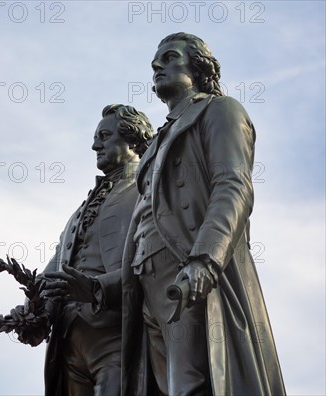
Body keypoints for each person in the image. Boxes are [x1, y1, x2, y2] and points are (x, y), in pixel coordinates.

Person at [116, 32, 287, 395]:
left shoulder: (220, 110)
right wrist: (97, 286)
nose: (157, 65)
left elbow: (233, 185)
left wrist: (206, 260)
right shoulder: (154, 145)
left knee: (190, 385)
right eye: (155, 60)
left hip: (187, 269)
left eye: (170, 57)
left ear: (198, 67)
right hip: (146, 283)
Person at [21, 104, 153, 396]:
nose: (95, 144)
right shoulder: (78, 213)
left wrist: (95, 289)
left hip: (117, 335)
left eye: (105, 136)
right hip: (67, 345)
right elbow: (55, 270)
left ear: (132, 139)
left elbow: (156, 266)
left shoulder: (149, 193)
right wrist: (34, 309)